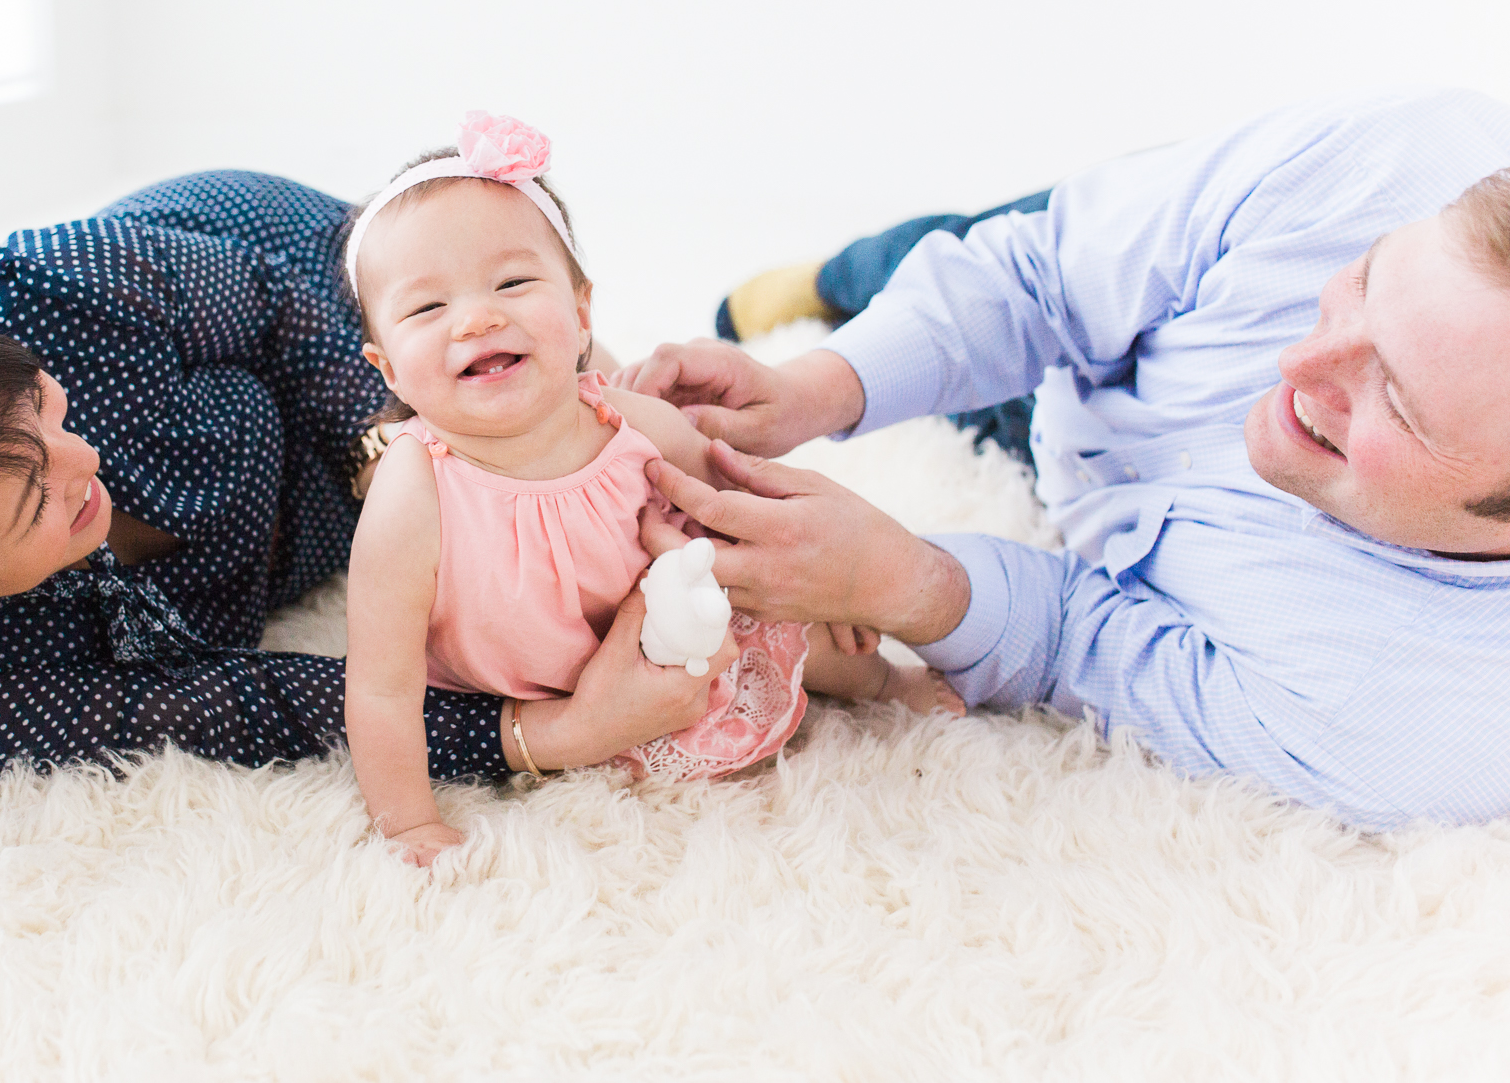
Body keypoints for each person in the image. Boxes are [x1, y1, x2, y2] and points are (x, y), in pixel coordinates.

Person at [0, 170, 735, 846]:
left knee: (601, 412)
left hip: (301, 284)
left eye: (42, 410)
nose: (79, 464)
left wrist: (408, 455)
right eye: (35, 501)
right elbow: (237, 704)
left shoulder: (52, 288)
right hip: (285, 496)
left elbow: (270, 303)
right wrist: (540, 734)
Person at [620, 87, 1510, 829]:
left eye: (1394, 397)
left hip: (1101, 472)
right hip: (1132, 342)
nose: (1292, 364)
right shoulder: (1396, 160)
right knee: (924, 254)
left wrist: (903, 583)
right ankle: (836, 279)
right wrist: (821, 381)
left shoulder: (1415, 721)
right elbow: (1043, 277)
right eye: (1360, 281)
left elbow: (1084, 644)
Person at [341, 114, 960, 865]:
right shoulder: (414, 492)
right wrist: (407, 822)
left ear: (579, 316)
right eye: (428, 307)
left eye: (512, 281)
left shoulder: (626, 421)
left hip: (675, 636)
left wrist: (842, 596)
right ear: (389, 370)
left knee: (791, 622)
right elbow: (380, 686)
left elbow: (740, 495)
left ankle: (884, 682)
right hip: (546, 702)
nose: (478, 315)